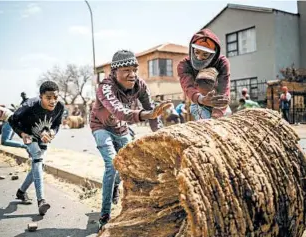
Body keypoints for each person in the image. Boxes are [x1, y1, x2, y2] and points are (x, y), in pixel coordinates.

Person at [90, 49, 171, 229]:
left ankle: (114, 190)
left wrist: (161, 136)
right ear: (114, 72)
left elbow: (153, 111)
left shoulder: (140, 85)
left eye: (134, 69)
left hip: (122, 128)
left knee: (129, 165)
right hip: (101, 127)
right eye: (126, 70)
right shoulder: (105, 87)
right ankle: (105, 214)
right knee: (112, 164)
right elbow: (120, 111)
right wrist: (145, 114)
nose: (132, 74)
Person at [8, 81, 64, 215]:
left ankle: (21, 192)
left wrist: (52, 133)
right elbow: (12, 120)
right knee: (38, 158)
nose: (53, 101)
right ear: (41, 97)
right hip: (28, 135)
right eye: (48, 98)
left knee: (38, 166)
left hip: (44, 136)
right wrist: (22, 134)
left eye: (55, 97)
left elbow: (57, 124)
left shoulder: (60, 107)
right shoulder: (30, 105)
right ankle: (42, 201)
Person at [178, 28, 231, 120]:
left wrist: (217, 113)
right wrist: (201, 99)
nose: (199, 57)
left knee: (226, 123)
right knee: (204, 122)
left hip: (218, 102)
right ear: (192, 49)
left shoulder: (222, 62)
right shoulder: (184, 64)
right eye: (196, 52)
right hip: (198, 102)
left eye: (205, 54)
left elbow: (224, 87)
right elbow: (188, 86)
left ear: (213, 54)